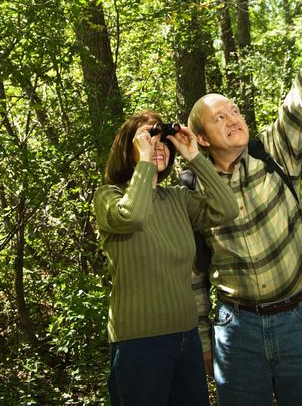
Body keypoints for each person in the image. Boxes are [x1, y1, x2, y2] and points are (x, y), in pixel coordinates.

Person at [188, 0, 302, 406]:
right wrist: (206, 341)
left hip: (301, 318)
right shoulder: (192, 191)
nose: (233, 120)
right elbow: (193, 275)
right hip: (236, 331)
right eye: (219, 118)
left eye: (235, 111)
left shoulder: (276, 150)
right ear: (202, 139)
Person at [93, 109, 239, 406]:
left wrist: (195, 157)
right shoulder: (108, 195)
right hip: (138, 343)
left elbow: (227, 209)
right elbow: (132, 215)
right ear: (128, 147)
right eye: (149, 140)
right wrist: (145, 162)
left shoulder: (177, 198)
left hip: (186, 336)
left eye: (164, 143)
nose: (158, 147)